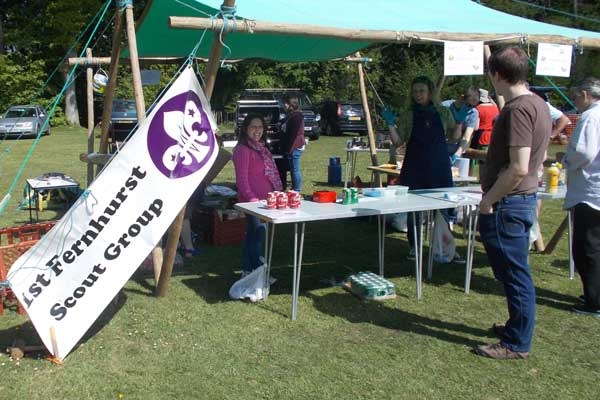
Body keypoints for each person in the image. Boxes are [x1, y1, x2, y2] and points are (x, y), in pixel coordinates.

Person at [475, 46, 551, 360]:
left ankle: (516, 343)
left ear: (497, 75)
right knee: (513, 272)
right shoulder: (538, 103)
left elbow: (519, 167)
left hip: (508, 202)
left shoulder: (519, 109)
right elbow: (538, 159)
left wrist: (488, 201)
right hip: (520, 199)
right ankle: (515, 327)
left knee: (514, 273)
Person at [381, 75, 462, 261]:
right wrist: (390, 123)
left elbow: (454, 138)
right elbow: (398, 141)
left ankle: (445, 247)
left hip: (439, 166)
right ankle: (414, 247)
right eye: (415, 91)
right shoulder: (408, 115)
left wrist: (459, 121)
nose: (418, 95)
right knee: (414, 210)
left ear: (430, 92)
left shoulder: (443, 112)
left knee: (442, 209)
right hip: (415, 167)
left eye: (422, 91)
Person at [563, 77, 600, 317]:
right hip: (594, 189)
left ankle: (594, 301)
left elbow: (584, 151)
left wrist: (566, 160)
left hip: (590, 191)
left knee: (587, 248)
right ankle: (593, 294)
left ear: (586, 94)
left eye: (576, 96)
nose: (575, 101)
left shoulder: (590, 117)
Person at [233, 114, 283, 276]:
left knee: (252, 237)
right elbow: (241, 180)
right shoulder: (243, 150)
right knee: (258, 237)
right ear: (245, 129)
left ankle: (247, 271)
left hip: (265, 201)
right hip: (253, 202)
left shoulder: (260, 148)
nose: (257, 130)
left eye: (260, 127)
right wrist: (252, 199)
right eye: (253, 126)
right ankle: (259, 272)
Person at [441, 86, 480, 159]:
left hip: (457, 147)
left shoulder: (473, 112)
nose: (470, 108)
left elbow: (466, 137)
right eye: (468, 104)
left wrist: (457, 154)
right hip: (440, 146)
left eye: (473, 105)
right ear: (462, 97)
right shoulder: (444, 107)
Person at [472, 88, 500, 179]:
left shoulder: (478, 109)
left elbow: (476, 126)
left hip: (482, 136)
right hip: (493, 136)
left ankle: (482, 179)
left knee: (481, 159)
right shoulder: (495, 108)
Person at [280, 93, 305, 192]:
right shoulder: (291, 115)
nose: (284, 106)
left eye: (285, 103)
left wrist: (288, 148)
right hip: (291, 146)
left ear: (291, 104)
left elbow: (293, 134)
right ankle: (294, 187)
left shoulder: (297, 116)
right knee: (292, 168)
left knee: (295, 169)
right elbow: (285, 123)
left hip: (294, 146)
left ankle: (297, 190)